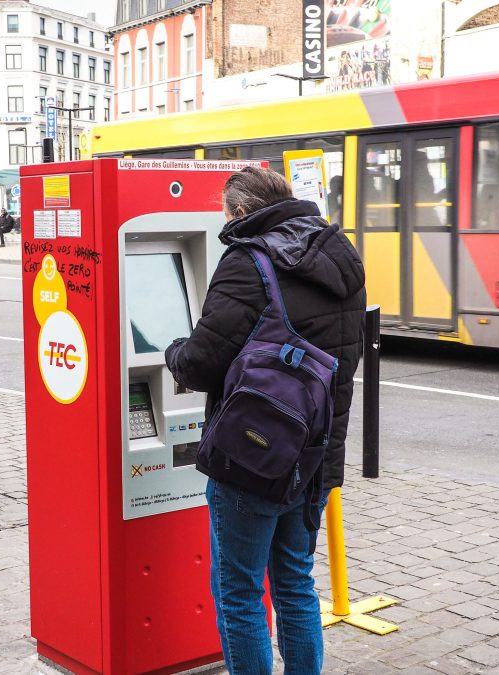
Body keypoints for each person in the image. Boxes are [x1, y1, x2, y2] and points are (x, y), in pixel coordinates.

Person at [165, 167, 365, 674]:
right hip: (318, 454)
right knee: (296, 582)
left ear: (237, 212)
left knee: (239, 591)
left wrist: (172, 352)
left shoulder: (249, 261)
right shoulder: (341, 254)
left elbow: (202, 363)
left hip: (255, 455)